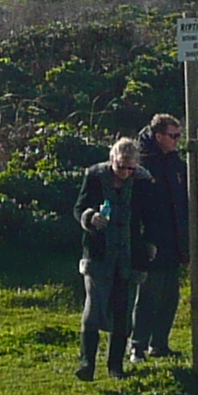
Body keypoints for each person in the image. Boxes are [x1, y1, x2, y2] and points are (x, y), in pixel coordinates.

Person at [74, 136, 147, 379]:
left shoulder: (142, 182)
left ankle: (116, 366)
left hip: (129, 255)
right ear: (111, 160)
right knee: (93, 309)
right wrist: (90, 217)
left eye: (130, 167)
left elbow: (151, 216)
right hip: (99, 255)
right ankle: (87, 364)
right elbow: (79, 207)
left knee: (123, 312)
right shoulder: (95, 176)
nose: (125, 172)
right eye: (121, 166)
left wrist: (150, 244)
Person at [130, 113, 189, 358]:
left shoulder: (177, 163)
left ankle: (160, 344)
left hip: (174, 239)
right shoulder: (141, 164)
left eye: (179, 136)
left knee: (170, 297)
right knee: (148, 296)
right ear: (159, 136)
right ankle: (137, 346)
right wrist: (142, 241)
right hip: (152, 240)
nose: (177, 140)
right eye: (173, 136)